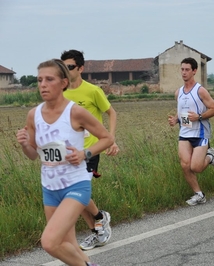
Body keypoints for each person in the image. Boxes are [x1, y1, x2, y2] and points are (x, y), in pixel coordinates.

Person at [16, 59, 113, 266]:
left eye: (49, 79)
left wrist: (84, 153)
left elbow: (107, 138)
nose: (43, 84)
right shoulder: (33, 115)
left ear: (63, 83)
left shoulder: (75, 112)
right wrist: (25, 144)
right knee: (69, 246)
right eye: (39, 80)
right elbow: (33, 155)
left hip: (76, 185)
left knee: (50, 243)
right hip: (50, 189)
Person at [61, 50, 118, 250]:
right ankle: (98, 228)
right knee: (75, 194)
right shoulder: (62, 92)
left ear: (81, 68)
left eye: (70, 67)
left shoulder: (92, 91)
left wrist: (111, 139)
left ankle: (100, 218)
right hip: (69, 152)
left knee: (77, 190)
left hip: (90, 149)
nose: (66, 71)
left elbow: (111, 113)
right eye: (63, 67)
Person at [168, 57, 214, 206]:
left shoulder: (200, 90)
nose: (184, 72)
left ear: (194, 71)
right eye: (182, 69)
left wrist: (198, 117)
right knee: (185, 165)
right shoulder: (178, 92)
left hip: (200, 133)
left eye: (187, 70)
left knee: (196, 167)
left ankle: (211, 156)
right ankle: (199, 194)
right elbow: (182, 112)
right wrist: (176, 120)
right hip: (184, 134)